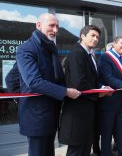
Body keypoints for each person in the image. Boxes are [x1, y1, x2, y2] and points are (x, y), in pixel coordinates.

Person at [16, 13, 80, 156]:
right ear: (38, 25)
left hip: (51, 112)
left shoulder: (50, 47)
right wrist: (20, 99)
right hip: (36, 115)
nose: (56, 30)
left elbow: (57, 78)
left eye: (57, 26)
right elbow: (34, 82)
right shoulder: (26, 49)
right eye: (51, 25)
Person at [58, 25, 106, 156]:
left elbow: (90, 80)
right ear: (82, 36)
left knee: (85, 149)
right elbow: (78, 83)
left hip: (87, 111)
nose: (96, 39)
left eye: (97, 37)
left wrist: (101, 87)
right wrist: (99, 92)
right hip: (78, 112)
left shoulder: (88, 54)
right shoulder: (77, 53)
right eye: (92, 35)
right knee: (76, 151)